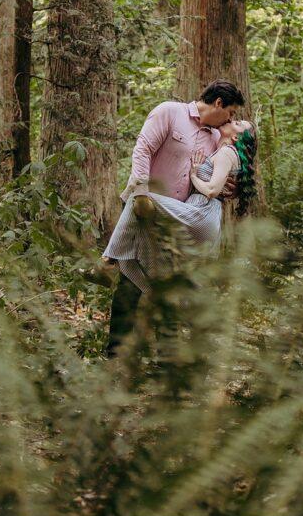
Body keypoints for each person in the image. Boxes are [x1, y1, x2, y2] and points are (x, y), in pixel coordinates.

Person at [99, 80, 247, 357]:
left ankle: (167, 358)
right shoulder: (169, 112)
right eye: (231, 113)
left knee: (168, 285)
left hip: (177, 219)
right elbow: (142, 149)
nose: (231, 119)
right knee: (130, 282)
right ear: (218, 103)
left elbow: (215, 177)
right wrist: (141, 192)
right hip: (143, 210)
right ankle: (116, 354)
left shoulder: (217, 139)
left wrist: (230, 188)